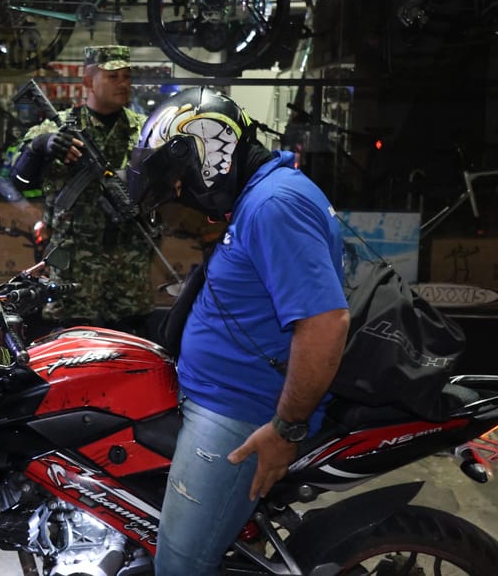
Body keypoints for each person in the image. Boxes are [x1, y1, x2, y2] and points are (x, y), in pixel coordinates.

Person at [126, 87, 350, 573]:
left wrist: (286, 429)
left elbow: (325, 323)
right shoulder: (258, 198)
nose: (182, 193)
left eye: (182, 180)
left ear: (209, 151)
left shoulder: (275, 205)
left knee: (178, 567)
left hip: (238, 413)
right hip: (220, 395)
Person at [10, 45, 152, 333]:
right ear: (88, 82)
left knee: (128, 351)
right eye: (113, 77)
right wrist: (42, 146)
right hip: (73, 271)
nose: (123, 83)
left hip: (129, 269)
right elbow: (19, 180)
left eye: (127, 76)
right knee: (70, 353)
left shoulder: (145, 131)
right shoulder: (58, 128)